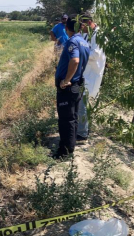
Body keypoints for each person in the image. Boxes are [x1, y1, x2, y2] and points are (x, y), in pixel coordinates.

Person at [53, 18, 90, 159]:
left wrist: (66, 80)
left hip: (68, 87)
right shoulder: (84, 42)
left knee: (66, 120)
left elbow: (75, 61)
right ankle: (71, 146)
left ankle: (64, 153)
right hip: (77, 85)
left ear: (67, 27)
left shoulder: (72, 41)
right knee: (73, 118)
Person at [77, 13, 106, 141]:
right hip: (84, 72)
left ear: (88, 23)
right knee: (82, 102)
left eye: (81, 25)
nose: (80, 28)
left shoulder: (99, 35)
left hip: (92, 73)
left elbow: (95, 54)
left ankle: (83, 133)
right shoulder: (86, 33)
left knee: (82, 102)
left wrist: (80, 51)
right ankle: (83, 128)